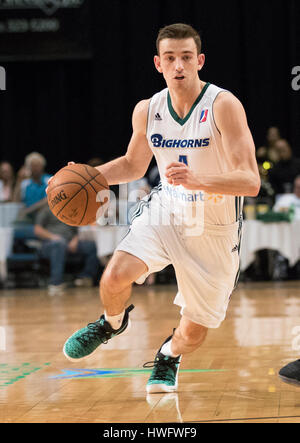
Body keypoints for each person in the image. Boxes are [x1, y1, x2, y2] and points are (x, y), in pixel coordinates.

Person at [50, 23, 260, 393]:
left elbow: (250, 180)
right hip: (166, 211)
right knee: (114, 275)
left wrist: (199, 181)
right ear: (158, 63)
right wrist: (86, 176)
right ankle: (111, 323)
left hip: (214, 227)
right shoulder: (148, 109)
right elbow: (133, 165)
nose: (178, 65)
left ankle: (169, 354)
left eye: (186, 57)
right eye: (170, 58)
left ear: (200, 61)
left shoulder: (223, 105)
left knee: (194, 333)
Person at [34, 206, 100, 295]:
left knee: (92, 246)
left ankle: (85, 277)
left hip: (69, 243)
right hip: (50, 243)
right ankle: (56, 283)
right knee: (59, 244)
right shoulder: (45, 210)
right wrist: (53, 237)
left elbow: (77, 230)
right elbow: (37, 230)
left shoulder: (70, 209)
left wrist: (75, 240)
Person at [13, 152, 51, 222]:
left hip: (45, 217)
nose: (35, 168)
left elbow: (48, 200)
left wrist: (28, 210)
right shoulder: (25, 183)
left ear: (43, 166)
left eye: (37, 165)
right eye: (32, 165)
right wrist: (19, 180)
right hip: (28, 217)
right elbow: (16, 201)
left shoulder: (49, 180)